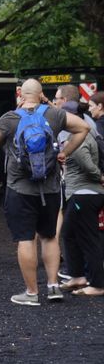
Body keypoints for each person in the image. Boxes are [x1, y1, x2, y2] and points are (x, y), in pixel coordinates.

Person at [0, 78, 89, 306]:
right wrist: (65, 152)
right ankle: (53, 287)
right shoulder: (54, 115)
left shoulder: (10, 118)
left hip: (20, 188)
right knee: (49, 236)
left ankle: (31, 293)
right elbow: (83, 128)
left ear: (19, 94)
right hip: (51, 188)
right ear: (42, 93)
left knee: (25, 239)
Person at [57, 105, 104, 296]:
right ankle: (77, 276)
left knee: (88, 238)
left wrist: (100, 177)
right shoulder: (83, 133)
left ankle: (98, 284)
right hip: (81, 193)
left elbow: (86, 164)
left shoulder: (79, 138)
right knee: (69, 233)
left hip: (85, 194)